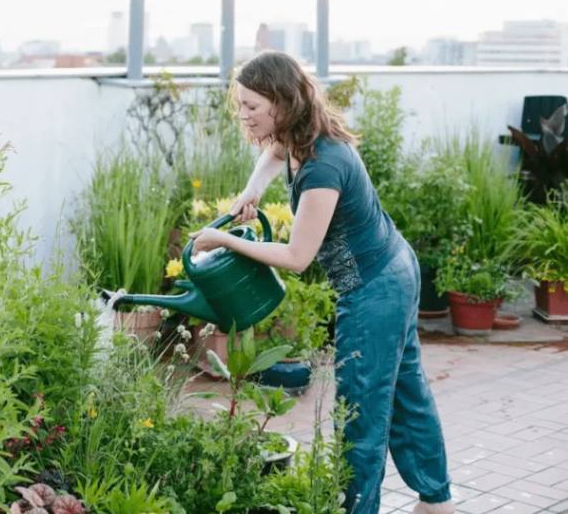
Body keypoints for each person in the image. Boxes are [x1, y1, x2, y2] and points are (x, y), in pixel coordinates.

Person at [188, 51, 454, 514]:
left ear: (281, 101)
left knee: (360, 412)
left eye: (251, 105)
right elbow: (273, 154)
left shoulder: (322, 168)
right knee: (407, 393)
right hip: (391, 268)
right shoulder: (299, 136)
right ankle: (437, 502)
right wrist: (253, 190)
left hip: (375, 288)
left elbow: (296, 257)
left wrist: (224, 242)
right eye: (240, 104)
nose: (243, 114)